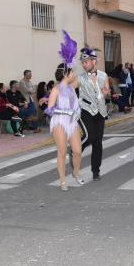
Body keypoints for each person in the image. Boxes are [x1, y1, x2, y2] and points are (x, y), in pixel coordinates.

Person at [46, 32, 84, 191]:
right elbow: (49, 109)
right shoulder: (56, 89)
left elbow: (79, 78)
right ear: (66, 74)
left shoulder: (71, 86)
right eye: (71, 71)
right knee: (61, 152)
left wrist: (71, 60)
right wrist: (54, 107)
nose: (74, 73)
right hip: (59, 121)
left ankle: (76, 172)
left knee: (77, 151)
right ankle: (63, 180)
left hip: (72, 121)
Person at [77, 46, 110, 180]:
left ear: (94, 61)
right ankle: (75, 148)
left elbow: (105, 92)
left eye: (86, 62)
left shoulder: (103, 75)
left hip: (100, 111)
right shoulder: (80, 78)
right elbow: (66, 87)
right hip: (85, 109)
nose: (84, 65)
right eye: (82, 63)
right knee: (89, 136)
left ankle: (95, 171)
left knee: (98, 142)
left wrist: (106, 93)